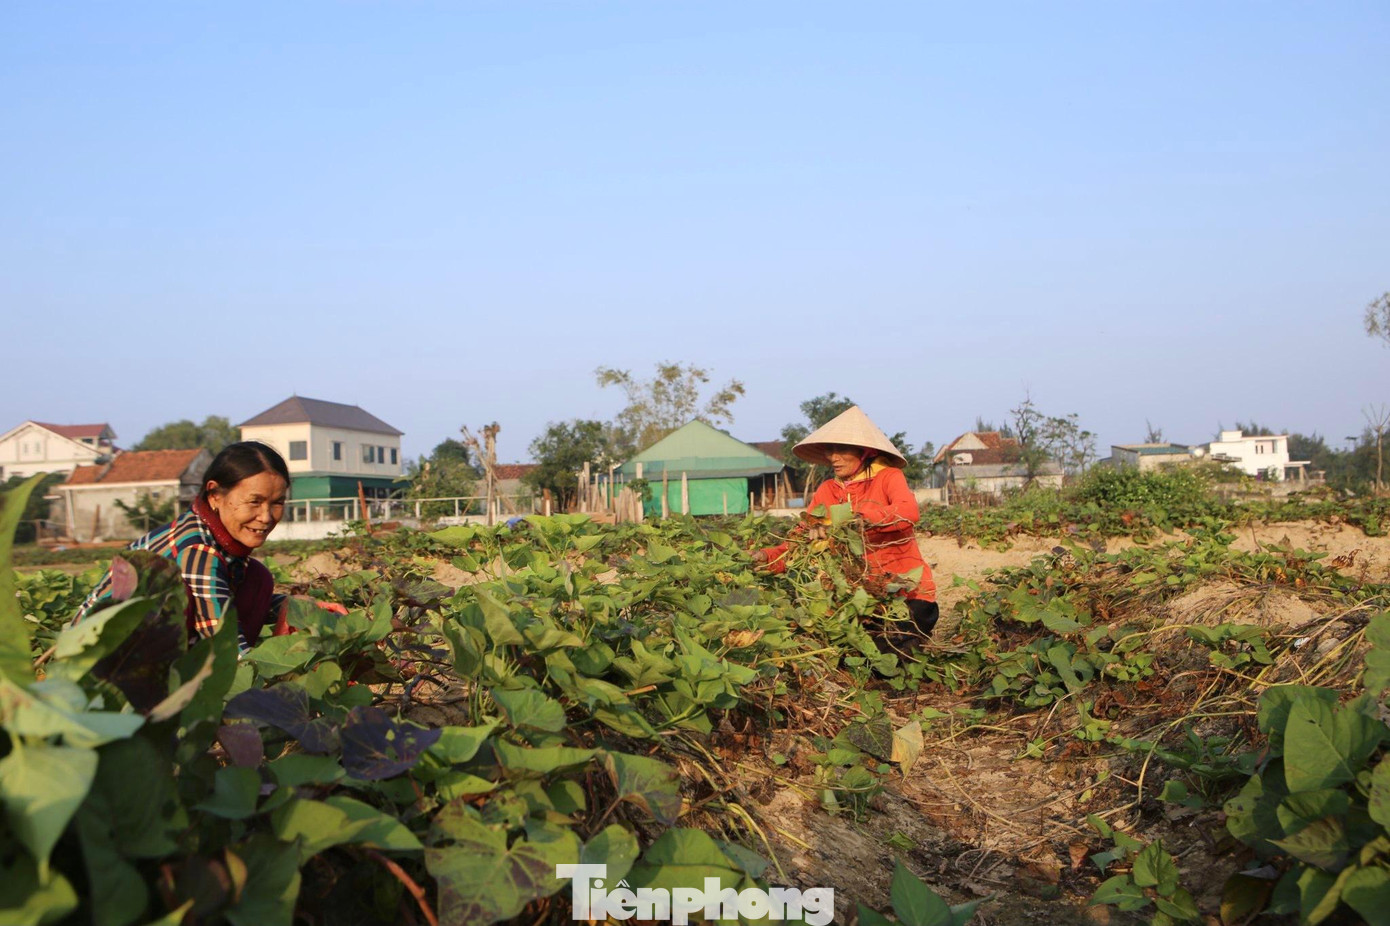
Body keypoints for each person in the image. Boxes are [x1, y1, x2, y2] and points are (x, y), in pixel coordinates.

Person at [74, 441, 317, 652]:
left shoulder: (218, 542)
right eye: (254, 501)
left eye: (277, 503)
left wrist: (293, 606)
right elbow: (227, 649)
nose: (266, 516)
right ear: (214, 495)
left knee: (257, 580)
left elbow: (220, 595)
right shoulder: (196, 551)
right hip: (97, 662)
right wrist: (277, 688)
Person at [753, 406, 939, 639]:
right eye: (830, 450)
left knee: (890, 649)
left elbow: (908, 511)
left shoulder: (889, 477)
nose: (833, 457)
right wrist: (767, 557)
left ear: (864, 451)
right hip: (857, 597)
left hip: (907, 593)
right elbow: (798, 539)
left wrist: (863, 518)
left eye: (841, 449)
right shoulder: (827, 490)